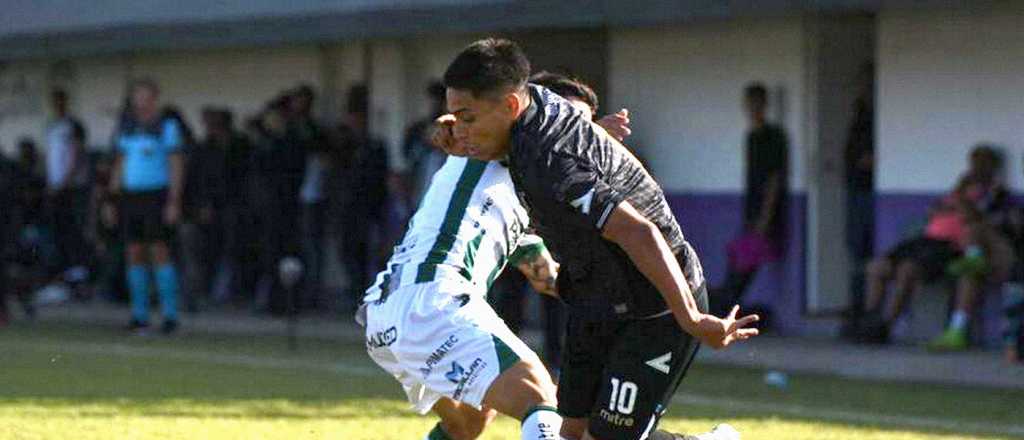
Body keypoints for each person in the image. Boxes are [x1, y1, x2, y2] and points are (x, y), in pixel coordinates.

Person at [438, 38, 755, 440]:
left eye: (467, 119)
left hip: (653, 305)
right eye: (454, 117)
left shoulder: (551, 161)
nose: (459, 131)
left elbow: (638, 231)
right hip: (595, 299)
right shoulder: (523, 103)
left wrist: (690, 317)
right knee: (570, 433)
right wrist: (456, 127)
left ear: (511, 106)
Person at [854, 145, 1011, 346]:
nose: (976, 168)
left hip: (948, 246)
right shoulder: (959, 188)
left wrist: (959, 203)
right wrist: (951, 200)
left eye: (982, 163)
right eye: (974, 162)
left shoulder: (994, 192)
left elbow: (976, 218)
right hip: (926, 239)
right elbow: (932, 211)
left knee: (906, 271)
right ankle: (870, 320)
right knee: (877, 267)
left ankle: (885, 327)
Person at [110, 78, 186, 335]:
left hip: (157, 195)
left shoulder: (166, 126)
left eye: (145, 95)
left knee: (160, 251)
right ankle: (139, 314)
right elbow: (119, 164)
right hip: (132, 196)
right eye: (136, 96)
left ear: (154, 98)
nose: (140, 101)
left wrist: (174, 200)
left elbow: (176, 164)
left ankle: (170, 315)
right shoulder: (126, 127)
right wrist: (112, 198)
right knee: (134, 251)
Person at [710, 83, 789, 322]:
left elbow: (775, 178)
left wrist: (766, 215)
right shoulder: (751, 136)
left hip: (764, 213)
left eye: (757, 103)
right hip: (751, 210)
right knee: (737, 259)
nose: (753, 108)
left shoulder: (773, 136)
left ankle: (730, 308)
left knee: (745, 263)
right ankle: (726, 304)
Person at [337, 85, 390, 307]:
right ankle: (355, 291)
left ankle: (370, 296)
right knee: (348, 252)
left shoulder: (375, 147)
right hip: (348, 209)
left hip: (368, 209)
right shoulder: (344, 145)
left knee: (369, 254)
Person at [45, 89, 91, 290]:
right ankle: (65, 273)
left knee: (74, 229)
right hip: (55, 186)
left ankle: (79, 273)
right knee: (59, 230)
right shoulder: (51, 126)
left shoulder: (73, 125)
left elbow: (77, 153)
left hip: (72, 187)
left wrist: (66, 180)